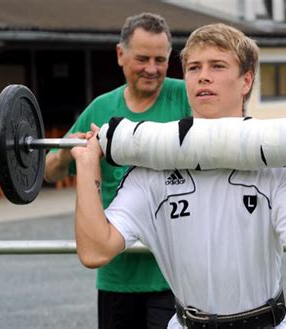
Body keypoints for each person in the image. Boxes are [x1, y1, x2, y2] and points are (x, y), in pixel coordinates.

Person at [71, 23, 286, 328]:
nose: (203, 75)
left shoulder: (278, 166)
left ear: (246, 80)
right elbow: (95, 250)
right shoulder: (151, 170)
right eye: (194, 67)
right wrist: (87, 168)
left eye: (217, 66)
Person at [44, 13, 191, 329]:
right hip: (117, 275)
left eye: (160, 60)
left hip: (177, 273)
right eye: (142, 58)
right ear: (120, 55)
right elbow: (49, 173)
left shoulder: (186, 96)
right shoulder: (101, 108)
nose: (152, 69)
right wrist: (63, 155)